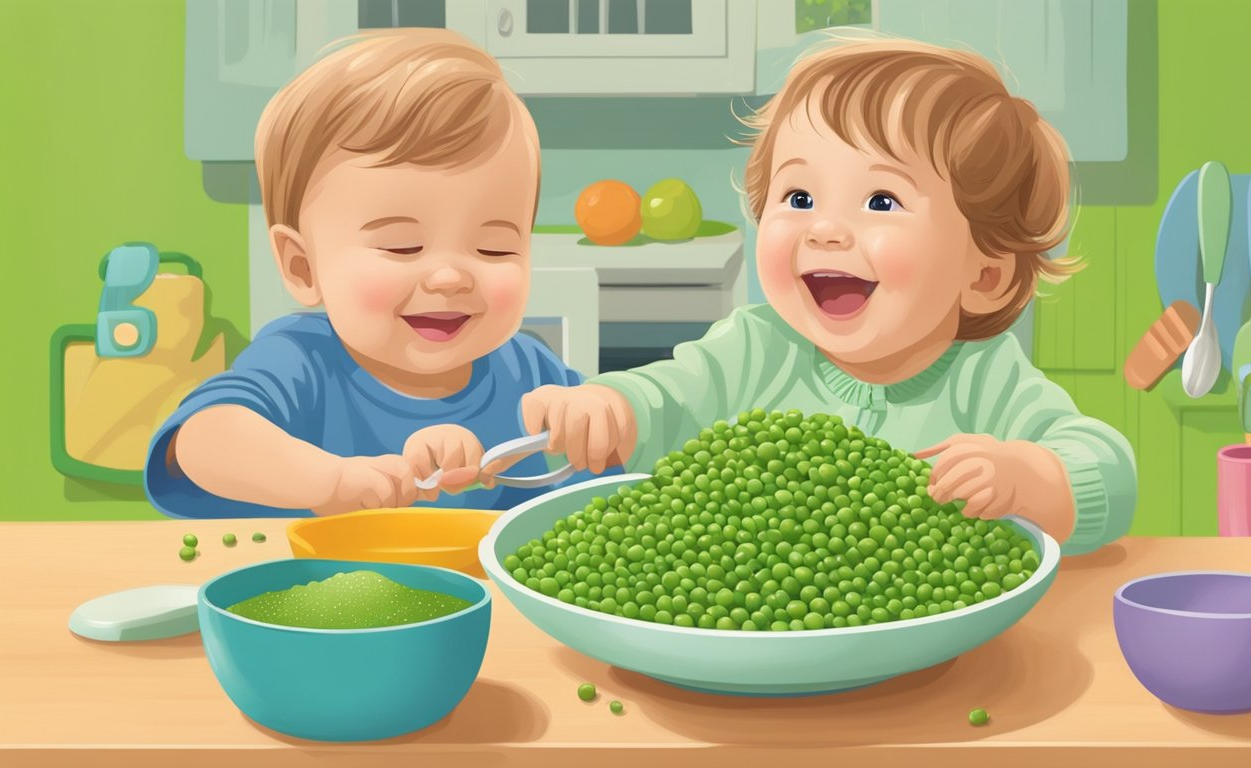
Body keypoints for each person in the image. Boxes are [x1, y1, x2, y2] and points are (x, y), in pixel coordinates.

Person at [521, 38, 1136, 555]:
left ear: (985, 277)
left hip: (931, 648)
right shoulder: (754, 349)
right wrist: (607, 405)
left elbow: (1107, 467)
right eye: (798, 198)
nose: (824, 229)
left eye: (881, 202)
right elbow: (667, 398)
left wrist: (1033, 478)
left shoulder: (987, 381)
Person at [145, 29, 601, 518]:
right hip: (315, 589)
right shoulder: (300, 361)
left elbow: (605, 495)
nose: (450, 276)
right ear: (302, 266)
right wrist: (331, 482)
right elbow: (200, 440)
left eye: (494, 248)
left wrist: (607, 417)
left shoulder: (532, 375)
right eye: (402, 245)